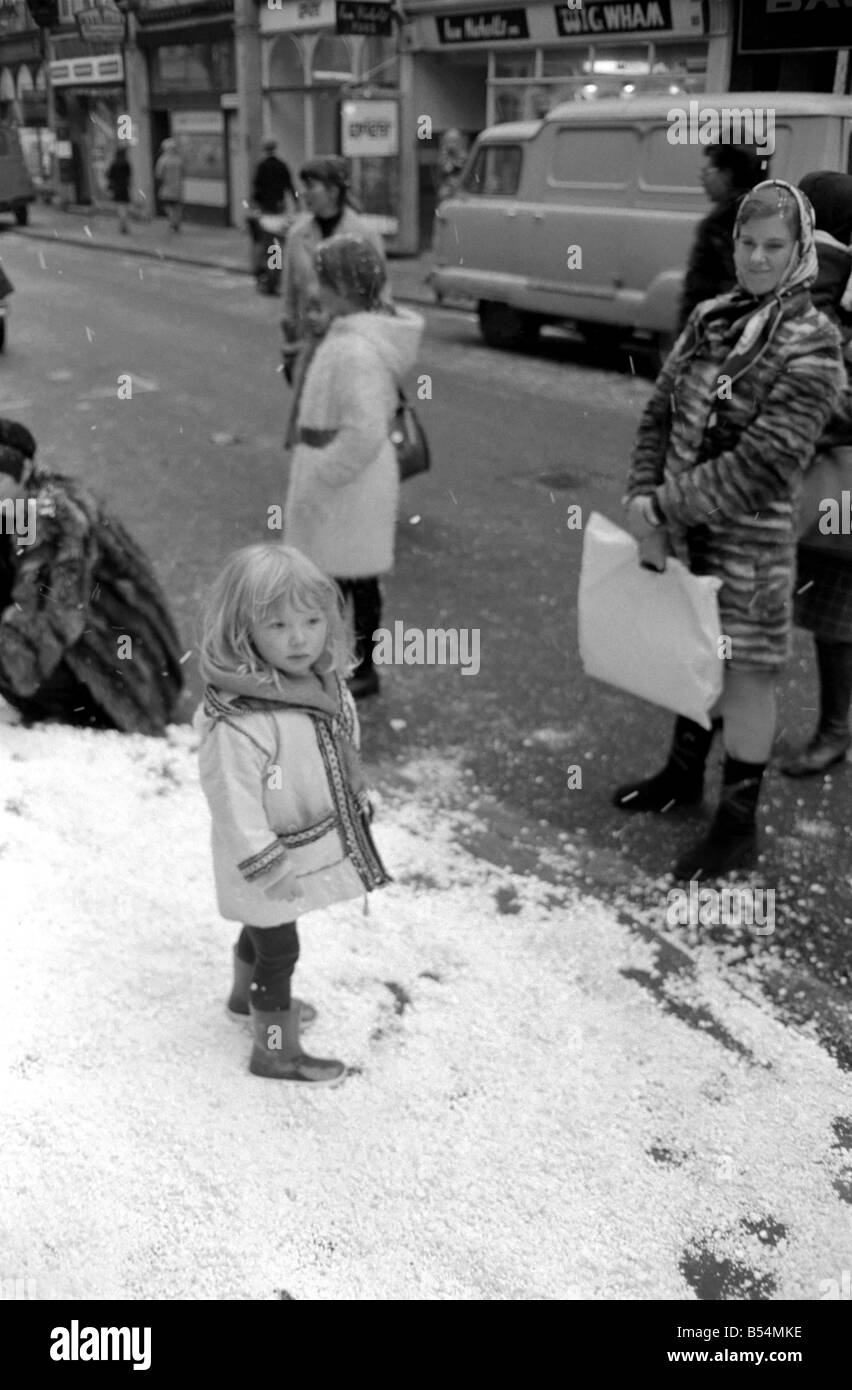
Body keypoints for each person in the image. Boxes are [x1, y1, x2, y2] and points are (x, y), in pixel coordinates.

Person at [613, 180, 845, 880]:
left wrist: (663, 507)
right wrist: (641, 494)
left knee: (746, 682)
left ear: (801, 249)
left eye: (774, 246)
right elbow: (660, 413)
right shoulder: (714, 317)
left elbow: (766, 465)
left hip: (751, 550)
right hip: (689, 536)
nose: (756, 257)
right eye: (747, 242)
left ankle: (737, 826)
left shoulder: (815, 342)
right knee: (693, 660)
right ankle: (682, 777)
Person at [195, 543, 391, 1084]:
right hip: (266, 858)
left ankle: (243, 1002)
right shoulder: (241, 723)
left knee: (263, 933)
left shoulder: (315, 686)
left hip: (291, 847)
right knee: (279, 952)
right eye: (278, 625)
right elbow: (234, 804)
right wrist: (266, 863)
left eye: (311, 620)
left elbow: (331, 751)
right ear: (244, 632)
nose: (300, 637)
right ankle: (274, 1048)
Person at [283, 235, 424, 700]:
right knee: (343, 578)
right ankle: (344, 663)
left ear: (342, 287)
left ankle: (356, 667)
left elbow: (364, 429)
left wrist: (323, 474)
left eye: (323, 281)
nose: (315, 289)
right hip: (348, 481)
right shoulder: (349, 337)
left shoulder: (354, 350)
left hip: (348, 484)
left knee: (346, 580)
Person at [0, 417, 184, 733]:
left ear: (26, 470)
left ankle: (70, 709)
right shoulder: (16, 506)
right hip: (91, 648)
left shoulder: (52, 514)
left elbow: (53, 611)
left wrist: (10, 663)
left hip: (125, 678)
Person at [781, 172, 852, 777]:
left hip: (838, 488)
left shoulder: (836, 295)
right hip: (816, 481)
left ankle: (835, 733)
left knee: (835, 620)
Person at [280, 156, 388, 387]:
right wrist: (290, 348)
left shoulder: (364, 234)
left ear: (333, 191)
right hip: (309, 350)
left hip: (353, 353)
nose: (304, 194)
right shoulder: (297, 236)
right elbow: (290, 296)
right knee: (308, 418)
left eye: (310, 187)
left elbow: (381, 298)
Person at [677, 143, 766, 332]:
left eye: (709, 169)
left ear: (727, 174)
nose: (703, 176)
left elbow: (725, 285)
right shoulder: (763, 213)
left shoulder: (722, 222)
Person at [252, 138, 296, 215]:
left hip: (265, 202)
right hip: (279, 201)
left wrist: (255, 200)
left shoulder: (262, 166)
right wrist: (296, 198)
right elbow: (289, 184)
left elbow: (257, 185)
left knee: (267, 222)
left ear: (264, 149)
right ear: (275, 148)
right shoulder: (281, 165)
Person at [154, 137, 184, 233]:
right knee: (177, 206)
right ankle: (177, 223)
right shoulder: (179, 159)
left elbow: (158, 174)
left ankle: (172, 223)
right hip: (178, 186)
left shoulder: (163, 160)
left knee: (167, 205)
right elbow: (184, 172)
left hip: (167, 186)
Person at [106, 145, 132, 234]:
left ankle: (123, 224)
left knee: (120, 207)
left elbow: (109, 175)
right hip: (125, 187)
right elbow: (129, 175)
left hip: (116, 187)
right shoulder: (126, 163)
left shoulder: (114, 164)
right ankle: (124, 224)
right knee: (124, 207)